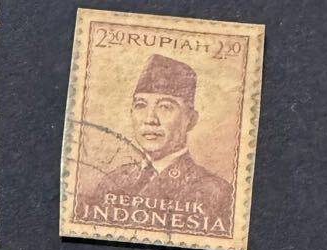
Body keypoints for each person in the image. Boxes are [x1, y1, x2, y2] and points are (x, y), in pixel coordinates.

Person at [84, 54, 234, 235]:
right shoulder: (113, 180)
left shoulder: (217, 192)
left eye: (165, 107)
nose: (150, 119)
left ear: (191, 119)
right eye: (141, 105)